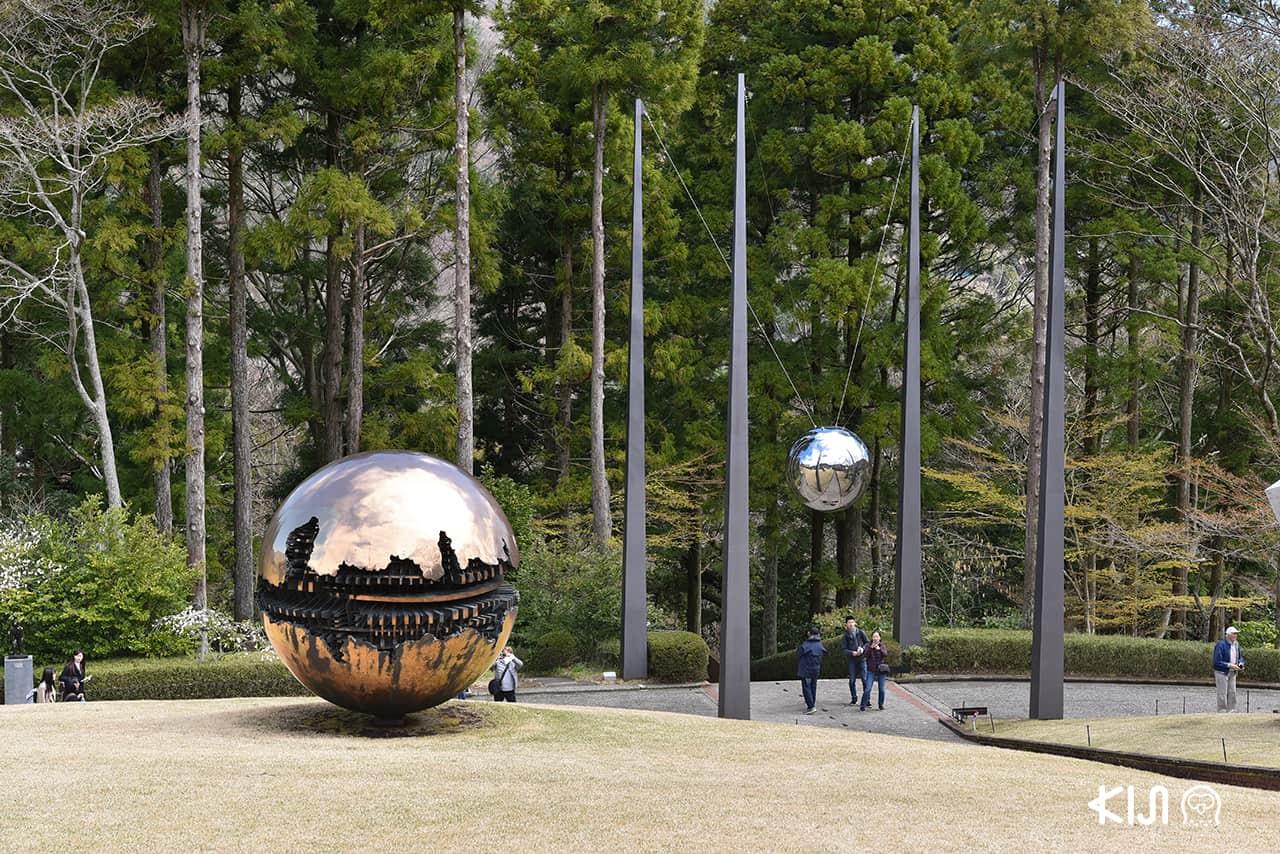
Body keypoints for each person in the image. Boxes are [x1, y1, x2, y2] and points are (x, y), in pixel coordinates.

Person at [1212, 626, 1245, 712]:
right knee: (1222, 692)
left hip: (1233, 672)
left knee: (1232, 692)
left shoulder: (1236, 644)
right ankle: (1222, 711)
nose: (1236, 635)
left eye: (1236, 634)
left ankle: (1232, 710)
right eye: (1234, 633)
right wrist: (1229, 665)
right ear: (1228, 635)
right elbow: (1216, 661)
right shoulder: (1221, 644)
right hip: (1221, 672)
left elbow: (1240, 657)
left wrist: (1240, 664)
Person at [796, 625, 826, 715]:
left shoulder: (805, 645)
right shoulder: (820, 644)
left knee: (806, 687)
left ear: (809, 633)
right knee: (813, 687)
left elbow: (798, 653)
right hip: (816, 669)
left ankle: (811, 706)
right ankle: (812, 704)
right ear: (818, 634)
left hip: (806, 669)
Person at [841, 616, 869, 708]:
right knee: (852, 681)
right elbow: (844, 650)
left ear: (855, 623)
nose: (851, 624)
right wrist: (851, 653)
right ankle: (854, 698)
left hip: (862, 659)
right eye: (849, 622)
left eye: (852, 622)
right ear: (846, 625)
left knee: (865, 679)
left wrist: (862, 649)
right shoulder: (845, 635)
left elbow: (867, 643)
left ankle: (867, 699)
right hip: (852, 660)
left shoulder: (860, 632)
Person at [862, 631, 889, 711]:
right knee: (868, 688)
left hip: (881, 670)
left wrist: (879, 649)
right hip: (871, 670)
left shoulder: (882, 645)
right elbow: (865, 655)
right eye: (874, 637)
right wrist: (871, 648)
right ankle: (863, 704)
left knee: (882, 689)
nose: (875, 638)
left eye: (877, 637)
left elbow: (885, 654)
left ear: (880, 638)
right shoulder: (868, 645)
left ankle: (880, 704)